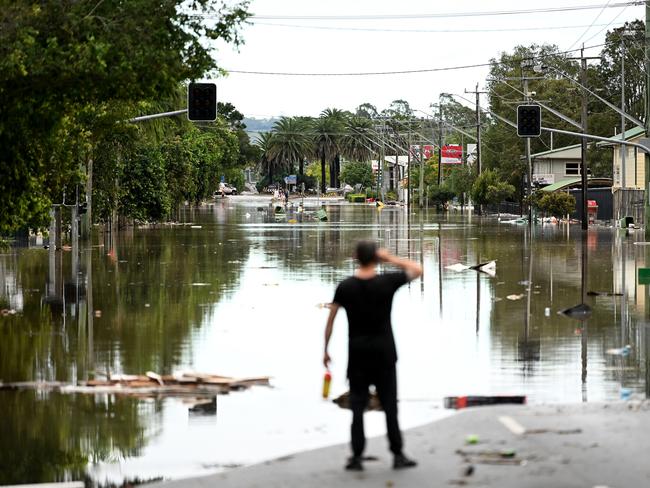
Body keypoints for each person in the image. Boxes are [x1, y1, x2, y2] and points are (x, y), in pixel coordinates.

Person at [323, 241, 423, 471]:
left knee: (357, 405)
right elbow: (417, 270)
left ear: (356, 258)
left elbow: (331, 321)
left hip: (357, 353)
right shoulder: (386, 282)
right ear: (376, 258)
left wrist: (325, 350)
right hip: (384, 352)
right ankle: (397, 455)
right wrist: (390, 259)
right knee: (389, 404)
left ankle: (356, 457)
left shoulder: (345, 286)